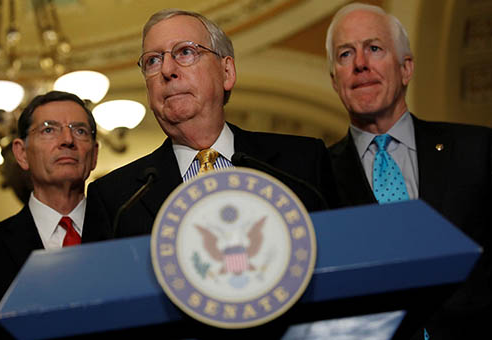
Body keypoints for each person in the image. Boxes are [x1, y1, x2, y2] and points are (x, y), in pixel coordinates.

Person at [83, 9, 340, 242]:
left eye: (185, 52)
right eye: (153, 60)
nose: (167, 70)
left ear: (227, 72)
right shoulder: (116, 200)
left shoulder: (303, 164)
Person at [326, 3, 491, 339]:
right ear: (334, 80)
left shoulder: (477, 150)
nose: (360, 64)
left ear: (406, 68)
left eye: (374, 48)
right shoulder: (317, 175)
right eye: (345, 54)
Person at [0, 91, 99, 339]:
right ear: (21, 153)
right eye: (49, 130)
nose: (67, 139)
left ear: (95, 154)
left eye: (79, 131)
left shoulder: (128, 231)